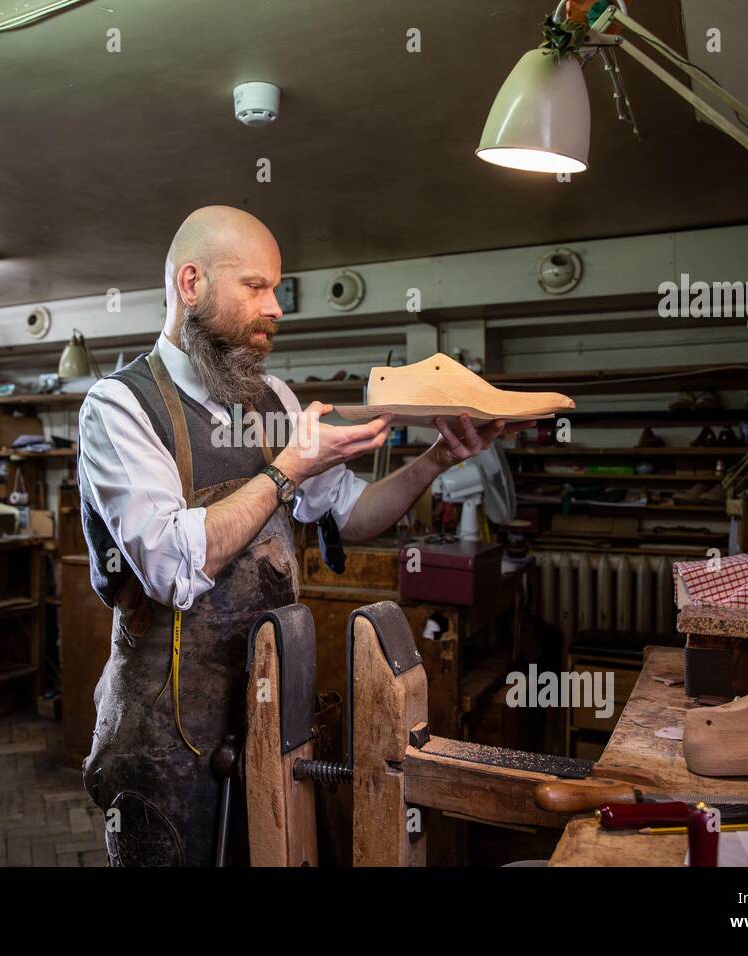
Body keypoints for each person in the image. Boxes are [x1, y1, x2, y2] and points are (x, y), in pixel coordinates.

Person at [78, 205, 517, 865]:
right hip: (161, 738)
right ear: (190, 285)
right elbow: (171, 566)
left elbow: (354, 513)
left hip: (270, 716)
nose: (277, 307)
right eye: (256, 286)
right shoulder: (119, 407)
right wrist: (288, 470)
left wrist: (435, 461)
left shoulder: (273, 400)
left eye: (277, 288)